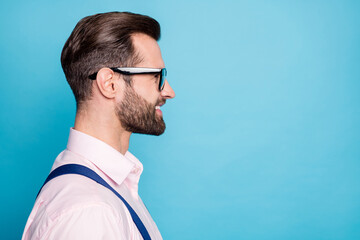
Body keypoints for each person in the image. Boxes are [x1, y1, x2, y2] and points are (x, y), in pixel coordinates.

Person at [22, 11, 175, 240]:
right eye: (156, 76)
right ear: (110, 83)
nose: (169, 92)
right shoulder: (89, 212)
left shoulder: (103, 190)